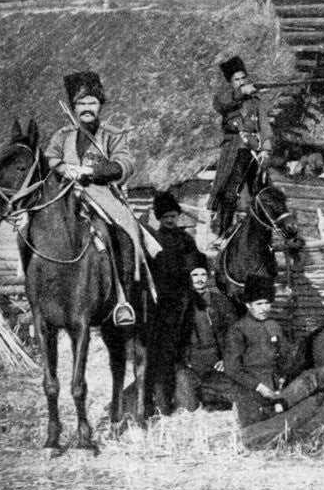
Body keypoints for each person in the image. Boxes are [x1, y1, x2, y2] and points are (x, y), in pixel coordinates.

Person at [44, 70, 159, 326]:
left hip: (101, 194)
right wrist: (64, 169)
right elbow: (50, 157)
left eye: (92, 103)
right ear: (73, 107)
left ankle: (123, 298)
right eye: (81, 104)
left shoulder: (112, 134)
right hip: (65, 196)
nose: (87, 108)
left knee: (127, 231)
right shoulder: (62, 135)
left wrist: (93, 171)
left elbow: (125, 164)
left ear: (100, 105)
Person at [208, 56, 273, 244]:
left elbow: (264, 125)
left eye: (243, 78)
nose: (241, 82)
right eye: (236, 79)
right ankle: (222, 231)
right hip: (235, 150)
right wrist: (240, 92)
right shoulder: (225, 98)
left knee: (261, 191)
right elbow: (221, 104)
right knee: (229, 192)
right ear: (230, 82)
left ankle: (264, 232)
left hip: (253, 149)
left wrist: (266, 149)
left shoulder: (255, 101)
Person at [147, 191, 200, 412]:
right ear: (159, 217)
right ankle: (162, 403)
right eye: (166, 216)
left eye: (173, 215)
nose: (170, 220)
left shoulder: (186, 239)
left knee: (181, 352)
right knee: (161, 355)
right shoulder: (152, 240)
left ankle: (184, 401)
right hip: (160, 305)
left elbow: (195, 264)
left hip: (183, 302)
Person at [223, 274, 297, 427]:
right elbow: (232, 369)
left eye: (267, 303)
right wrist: (259, 387)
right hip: (250, 387)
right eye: (259, 303)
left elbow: (286, 356)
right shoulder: (238, 330)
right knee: (259, 426)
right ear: (248, 305)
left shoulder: (274, 326)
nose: (264, 308)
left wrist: (283, 377)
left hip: (275, 384)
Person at [175, 252, 239, 412]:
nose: (199, 279)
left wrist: (226, 359)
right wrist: (182, 362)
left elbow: (235, 334)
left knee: (235, 395)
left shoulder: (221, 301)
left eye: (203, 274)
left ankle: (208, 393)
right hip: (189, 365)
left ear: (208, 276)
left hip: (215, 364)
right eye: (194, 274)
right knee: (188, 407)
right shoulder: (177, 305)